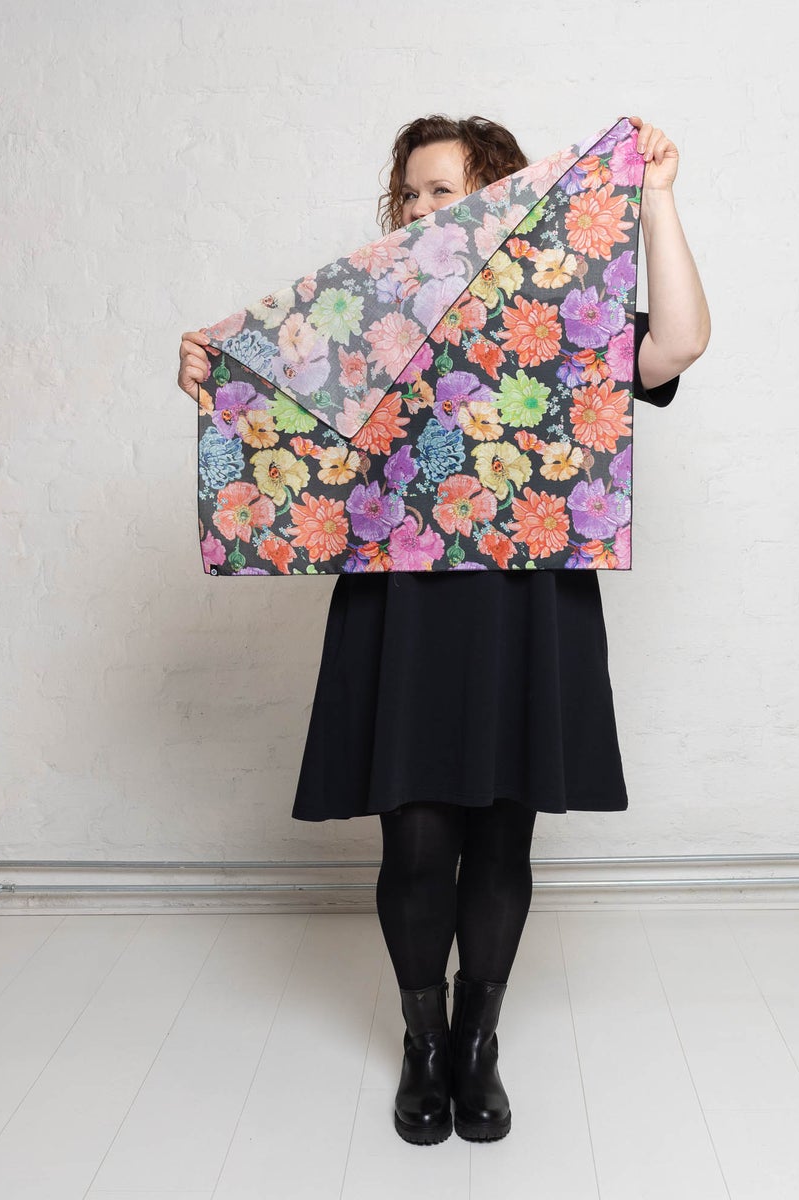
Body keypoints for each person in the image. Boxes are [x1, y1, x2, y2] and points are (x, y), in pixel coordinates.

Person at [178, 113, 710, 1147]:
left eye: (443, 191)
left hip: (525, 601)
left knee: (504, 832)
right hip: (405, 605)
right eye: (410, 193)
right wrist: (212, 369)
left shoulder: (559, 305)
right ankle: (424, 1043)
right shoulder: (363, 320)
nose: (420, 208)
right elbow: (265, 396)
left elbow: (677, 344)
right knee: (416, 839)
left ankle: (478, 1041)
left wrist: (654, 195)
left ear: (500, 199)